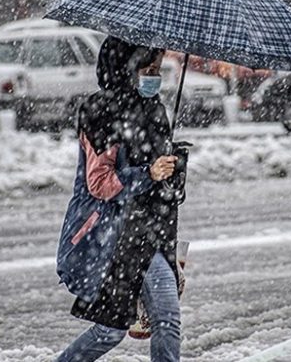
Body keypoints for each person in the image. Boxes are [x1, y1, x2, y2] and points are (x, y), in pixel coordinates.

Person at [55, 36, 188, 362]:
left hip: (148, 232)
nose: (153, 76)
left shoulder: (155, 110)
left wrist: (174, 172)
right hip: (112, 235)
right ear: (125, 68)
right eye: (147, 68)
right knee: (109, 331)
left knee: (167, 320)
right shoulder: (100, 113)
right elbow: (99, 183)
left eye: (157, 68)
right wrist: (147, 174)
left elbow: (160, 187)